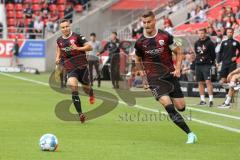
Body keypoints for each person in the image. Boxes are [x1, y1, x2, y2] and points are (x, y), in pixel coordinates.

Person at [134, 11, 197, 144]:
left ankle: (176, 105)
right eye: (144, 22)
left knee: (181, 107)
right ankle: (190, 134)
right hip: (154, 79)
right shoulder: (140, 42)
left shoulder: (165, 36)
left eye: (149, 22)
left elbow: (178, 51)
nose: (146, 25)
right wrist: (143, 77)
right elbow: (137, 60)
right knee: (168, 107)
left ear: (154, 20)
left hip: (170, 75)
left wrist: (178, 68)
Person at [55, 19, 94, 123]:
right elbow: (59, 48)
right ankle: (81, 114)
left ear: (70, 26)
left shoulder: (77, 36)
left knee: (86, 88)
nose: (65, 29)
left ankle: (91, 92)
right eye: (63, 27)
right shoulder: (59, 40)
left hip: (82, 67)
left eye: (67, 26)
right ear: (60, 29)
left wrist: (78, 48)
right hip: (70, 68)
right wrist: (57, 57)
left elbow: (90, 47)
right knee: (73, 87)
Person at [194, 28, 216, 107]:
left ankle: (211, 100)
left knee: (208, 81)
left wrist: (209, 61)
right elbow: (197, 53)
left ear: (205, 33)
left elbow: (213, 55)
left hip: (207, 65)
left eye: (202, 33)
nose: (201, 35)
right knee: (200, 82)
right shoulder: (196, 43)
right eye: (199, 33)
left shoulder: (210, 43)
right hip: (198, 65)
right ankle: (203, 100)